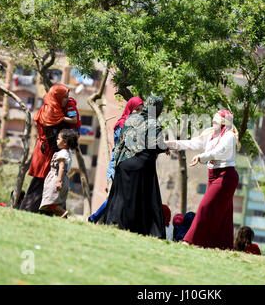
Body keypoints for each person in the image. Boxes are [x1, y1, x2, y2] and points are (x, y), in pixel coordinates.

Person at [166, 109, 239, 250]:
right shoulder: (211, 134)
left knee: (205, 208)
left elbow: (219, 152)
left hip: (226, 177)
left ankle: (189, 241)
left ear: (224, 123)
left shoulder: (229, 136)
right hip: (213, 176)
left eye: (216, 121)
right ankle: (222, 247)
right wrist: (169, 144)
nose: (213, 123)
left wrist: (201, 157)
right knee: (224, 215)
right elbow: (192, 144)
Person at [102, 96, 169, 239]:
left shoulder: (131, 119)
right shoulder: (154, 123)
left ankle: (114, 223)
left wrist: (116, 164)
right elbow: (156, 144)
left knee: (120, 196)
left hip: (124, 163)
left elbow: (120, 142)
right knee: (140, 198)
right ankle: (140, 228)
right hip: (141, 165)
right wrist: (165, 148)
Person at [88, 96, 144, 224]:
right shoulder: (122, 124)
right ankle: (94, 218)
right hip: (118, 165)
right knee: (114, 197)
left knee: (122, 198)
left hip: (128, 167)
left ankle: (99, 220)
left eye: (141, 110)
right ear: (130, 109)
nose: (139, 113)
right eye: (136, 109)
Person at [19, 84, 70, 213]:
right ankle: (28, 209)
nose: (67, 100)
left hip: (47, 152)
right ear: (57, 97)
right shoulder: (50, 112)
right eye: (65, 97)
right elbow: (55, 130)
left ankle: (44, 212)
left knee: (48, 185)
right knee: (40, 184)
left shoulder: (55, 109)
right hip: (45, 153)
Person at [39, 129, 78, 218]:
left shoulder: (62, 153)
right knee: (54, 200)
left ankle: (63, 212)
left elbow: (61, 167)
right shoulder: (68, 153)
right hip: (64, 179)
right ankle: (61, 216)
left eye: (58, 139)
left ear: (64, 142)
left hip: (56, 178)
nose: (56, 140)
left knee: (50, 200)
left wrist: (58, 181)